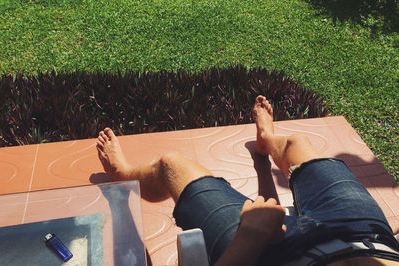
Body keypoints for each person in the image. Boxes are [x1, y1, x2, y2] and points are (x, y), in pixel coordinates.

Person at [96, 96, 399, 265]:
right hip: (367, 237)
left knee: (171, 165)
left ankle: (124, 176)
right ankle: (267, 140)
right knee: (297, 143)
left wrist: (250, 236)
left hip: (271, 256)